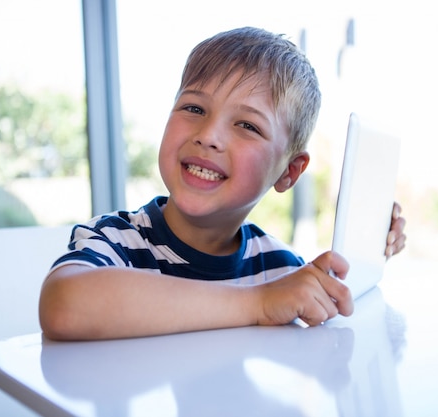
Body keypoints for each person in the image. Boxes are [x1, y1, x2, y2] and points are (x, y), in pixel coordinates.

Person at [39, 27, 406, 341]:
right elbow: (64, 307)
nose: (208, 135)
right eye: (194, 109)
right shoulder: (116, 240)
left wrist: (362, 255)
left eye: (247, 125)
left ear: (289, 172)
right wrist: (258, 302)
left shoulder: (279, 268)